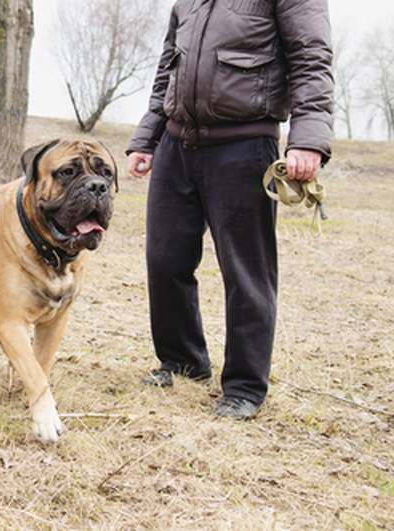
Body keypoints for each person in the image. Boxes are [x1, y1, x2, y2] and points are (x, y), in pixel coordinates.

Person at [126, 0, 334, 419]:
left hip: (244, 144)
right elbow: (168, 69)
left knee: (246, 270)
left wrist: (308, 138)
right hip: (176, 142)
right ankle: (183, 361)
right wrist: (146, 138)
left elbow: (312, 59)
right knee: (164, 259)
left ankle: (244, 387)